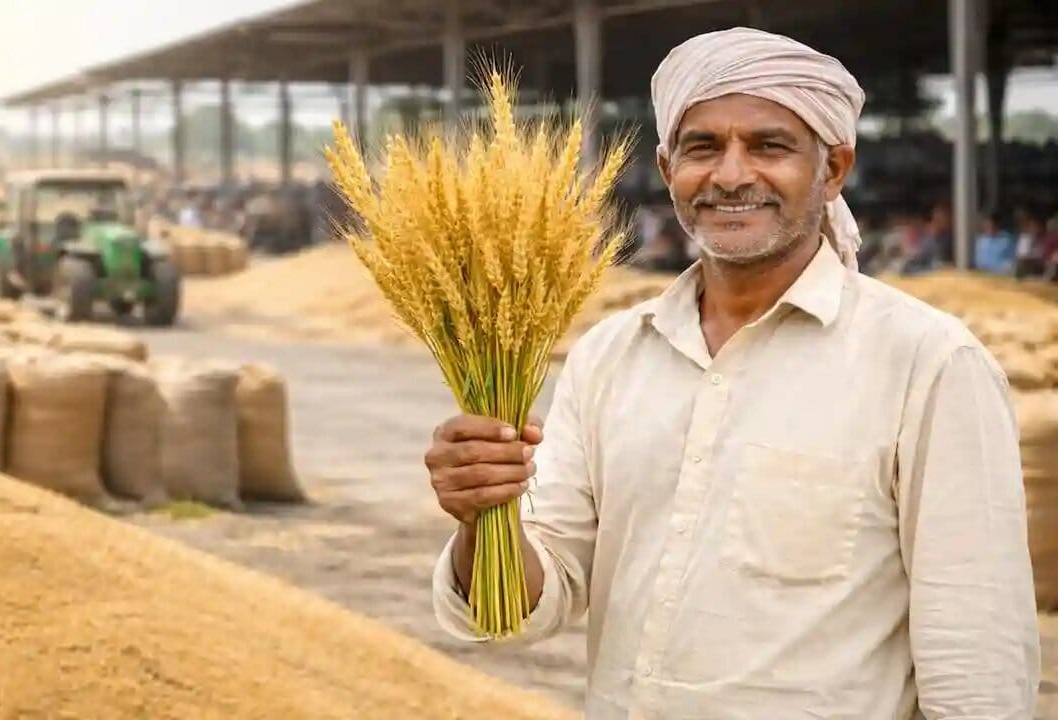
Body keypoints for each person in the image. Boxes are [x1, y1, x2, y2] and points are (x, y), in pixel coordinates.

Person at [426, 27, 1038, 718]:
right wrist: (484, 517)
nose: (731, 174)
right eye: (703, 147)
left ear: (833, 168)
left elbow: (976, 652)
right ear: (667, 170)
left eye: (770, 145)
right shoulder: (609, 357)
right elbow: (529, 607)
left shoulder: (927, 364)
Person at [974, 211, 1016, 276]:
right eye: (986, 225)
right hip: (981, 275)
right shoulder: (981, 240)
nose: (987, 227)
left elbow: (1011, 262)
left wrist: (998, 270)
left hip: (999, 276)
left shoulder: (1007, 240)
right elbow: (977, 260)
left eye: (990, 225)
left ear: (997, 225)